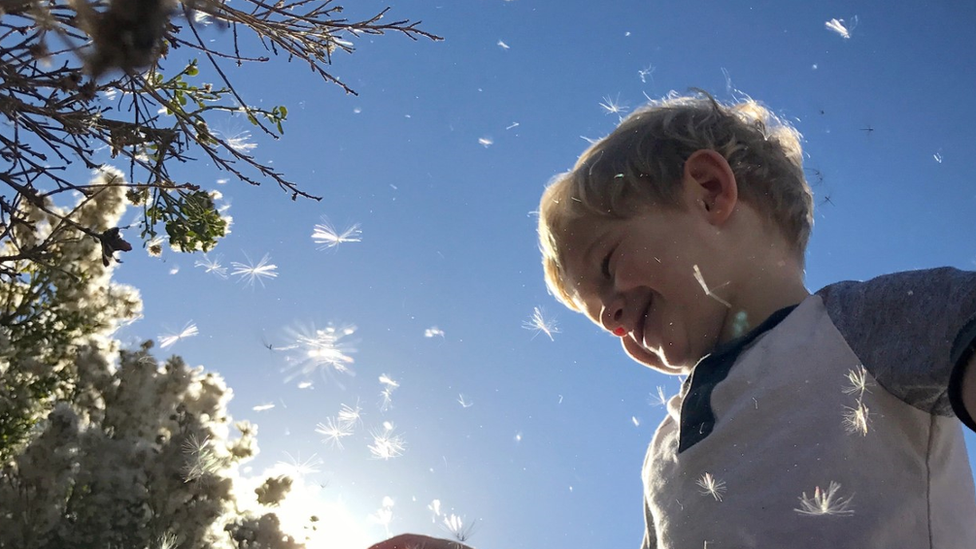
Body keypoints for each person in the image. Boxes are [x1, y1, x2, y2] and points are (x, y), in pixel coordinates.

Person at [368, 91, 976, 549]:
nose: (611, 316)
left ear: (710, 191)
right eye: (595, 317)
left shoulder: (855, 328)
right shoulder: (665, 447)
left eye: (608, 265)